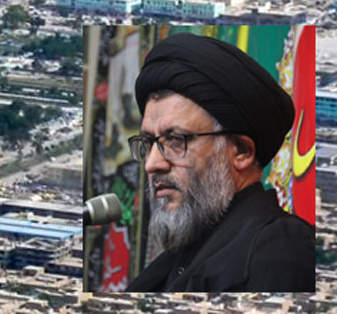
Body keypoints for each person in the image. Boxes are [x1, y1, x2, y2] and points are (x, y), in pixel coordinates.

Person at [125, 33, 314, 292]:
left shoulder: (279, 248)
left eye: (176, 139)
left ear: (241, 152)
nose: (152, 164)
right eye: (149, 142)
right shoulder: (180, 257)